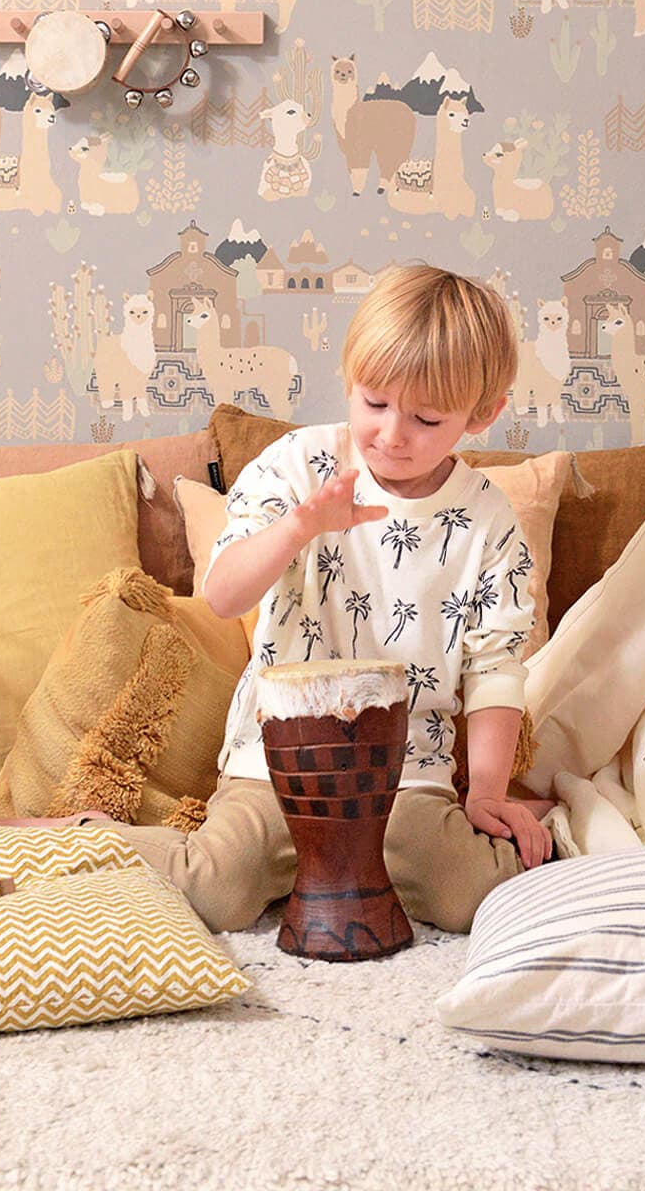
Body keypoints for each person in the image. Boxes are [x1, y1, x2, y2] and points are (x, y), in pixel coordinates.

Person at [120, 263, 553, 933]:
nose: (392, 434)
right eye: (374, 403)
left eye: (426, 418)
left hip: (405, 775)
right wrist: (300, 527)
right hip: (277, 761)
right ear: (350, 380)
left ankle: (536, 830)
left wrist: (488, 794)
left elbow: (495, 667)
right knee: (220, 891)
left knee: (468, 896)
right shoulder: (298, 465)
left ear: (482, 414)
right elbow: (224, 596)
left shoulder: (488, 520)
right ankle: (85, 835)